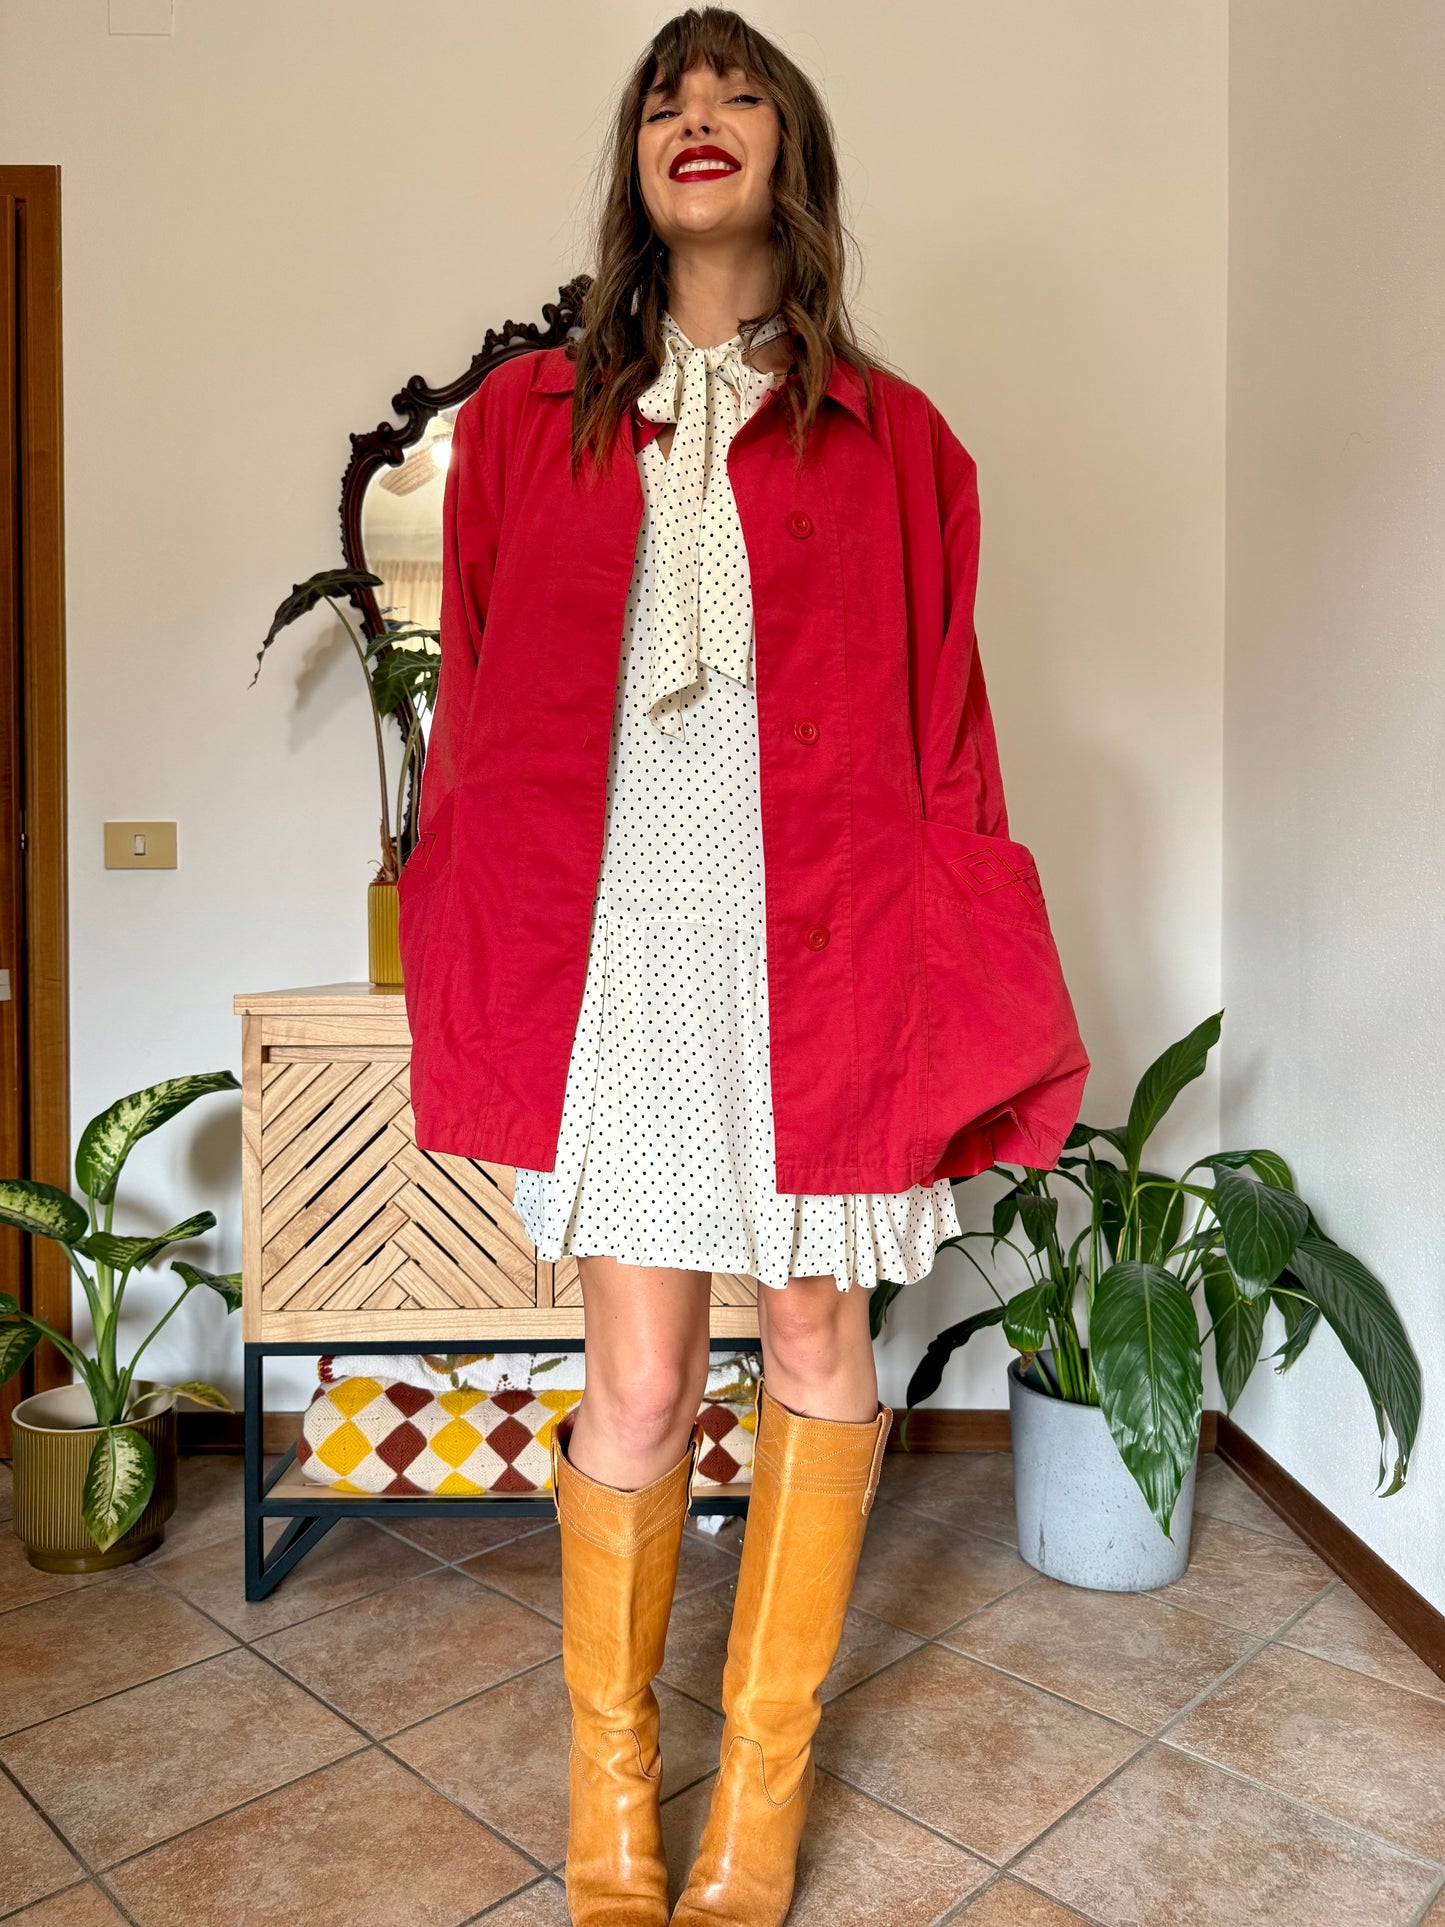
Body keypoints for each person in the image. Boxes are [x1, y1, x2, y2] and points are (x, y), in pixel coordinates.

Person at [398, 10, 1089, 1921]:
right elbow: (472, 720)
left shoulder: (902, 443)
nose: (695, 122)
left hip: (831, 945)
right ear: (633, 160)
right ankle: (612, 1791)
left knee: (810, 1340)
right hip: (616, 945)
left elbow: (949, 735)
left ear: (794, 152)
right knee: (632, 1381)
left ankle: (758, 1796)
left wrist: (975, 978)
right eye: (663, 100)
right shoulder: (525, 429)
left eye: (738, 94)